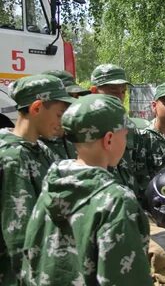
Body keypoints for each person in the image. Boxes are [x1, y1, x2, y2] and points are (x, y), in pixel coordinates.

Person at [21, 94, 152, 285]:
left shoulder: (51, 185)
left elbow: (31, 258)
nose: (126, 141)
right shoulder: (116, 201)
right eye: (124, 135)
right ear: (108, 140)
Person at [0, 74, 75, 285]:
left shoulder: (38, 150)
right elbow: (21, 241)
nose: (64, 122)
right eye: (60, 114)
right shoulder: (12, 158)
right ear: (36, 108)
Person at [90, 64, 139, 196]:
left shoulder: (130, 128)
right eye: (113, 91)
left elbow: (140, 172)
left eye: (123, 91)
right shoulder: (83, 129)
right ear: (94, 91)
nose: (120, 97)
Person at [39, 70, 82, 160]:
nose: (73, 103)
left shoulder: (74, 137)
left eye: (76, 97)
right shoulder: (32, 147)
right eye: (68, 97)